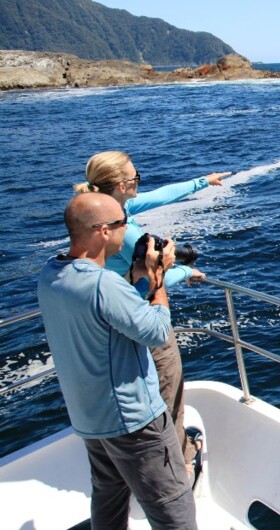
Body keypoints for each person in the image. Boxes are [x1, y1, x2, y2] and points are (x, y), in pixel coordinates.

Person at [36, 192, 196, 529]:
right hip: (134, 421)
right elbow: (155, 330)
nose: (130, 231)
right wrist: (158, 281)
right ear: (103, 231)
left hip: (92, 418)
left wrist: (140, 279)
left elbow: (109, 315)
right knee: (172, 503)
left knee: (108, 497)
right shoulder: (104, 284)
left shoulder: (51, 274)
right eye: (123, 224)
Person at [76, 150, 229, 468]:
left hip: (111, 316)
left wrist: (202, 181)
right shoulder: (127, 233)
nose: (138, 183)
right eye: (135, 178)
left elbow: (159, 196)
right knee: (167, 386)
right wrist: (187, 272)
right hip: (139, 316)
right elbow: (152, 279)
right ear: (120, 184)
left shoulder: (106, 211)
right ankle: (181, 463)